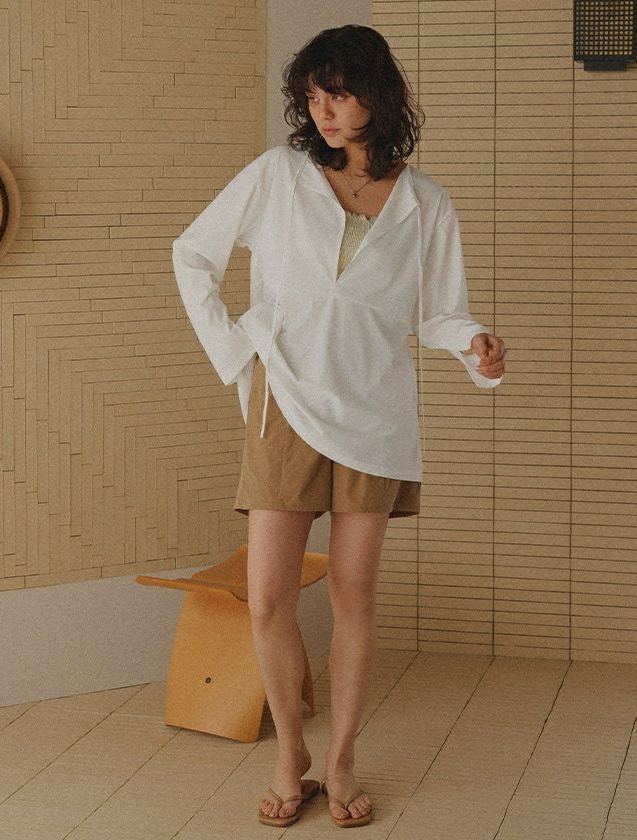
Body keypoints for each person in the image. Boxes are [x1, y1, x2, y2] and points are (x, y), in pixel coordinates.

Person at [172, 24, 507, 829]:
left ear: (376, 98)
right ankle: (291, 752)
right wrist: (238, 350)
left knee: (356, 596)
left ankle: (344, 758)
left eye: (341, 94)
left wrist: (474, 344)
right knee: (268, 598)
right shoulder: (279, 176)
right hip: (284, 402)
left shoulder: (426, 203)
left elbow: (440, 313)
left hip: (375, 412)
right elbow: (193, 255)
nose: (324, 110)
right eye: (314, 95)